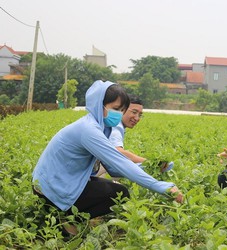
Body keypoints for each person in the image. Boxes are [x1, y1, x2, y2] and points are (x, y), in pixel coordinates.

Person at [32, 80, 184, 232]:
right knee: (119, 193)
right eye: (116, 108)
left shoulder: (101, 127)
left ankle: (66, 216)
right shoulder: (89, 130)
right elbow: (121, 164)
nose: (118, 114)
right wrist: (163, 187)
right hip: (49, 188)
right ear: (99, 105)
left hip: (60, 181)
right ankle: (62, 221)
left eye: (122, 110)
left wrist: (150, 167)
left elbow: (113, 169)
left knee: (115, 189)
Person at [94, 96, 173, 178]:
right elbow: (117, 152)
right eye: (134, 112)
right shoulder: (116, 126)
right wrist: (150, 163)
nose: (137, 118)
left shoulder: (115, 124)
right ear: (122, 109)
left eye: (140, 115)